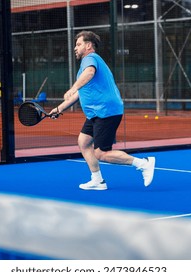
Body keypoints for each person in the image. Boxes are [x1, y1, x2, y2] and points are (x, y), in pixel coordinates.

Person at [49, 31, 155, 191]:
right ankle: (97, 180)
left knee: (101, 153)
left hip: (106, 111)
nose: (75, 48)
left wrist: (73, 87)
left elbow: (89, 74)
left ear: (89, 45)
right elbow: (80, 93)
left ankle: (143, 163)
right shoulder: (88, 64)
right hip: (96, 113)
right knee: (83, 142)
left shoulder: (90, 59)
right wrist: (59, 108)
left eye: (78, 44)